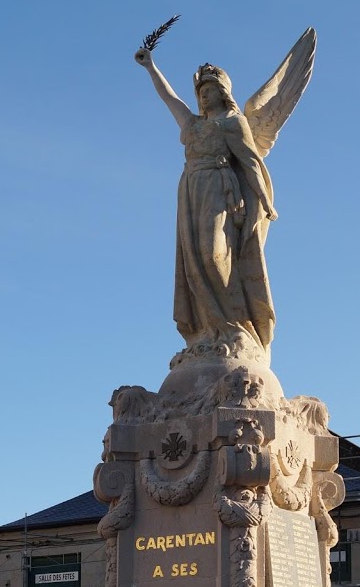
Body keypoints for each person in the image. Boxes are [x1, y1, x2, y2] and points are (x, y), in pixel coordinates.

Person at [134, 28, 315, 357]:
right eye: (200, 91)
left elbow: (250, 162)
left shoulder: (234, 122)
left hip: (221, 191)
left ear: (222, 91)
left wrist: (264, 201)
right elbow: (169, 98)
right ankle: (207, 332)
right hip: (191, 191)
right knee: (194, 264)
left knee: (217, 256)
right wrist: (150, 67)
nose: (203, 96)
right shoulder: (192, 124)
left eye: (210, 90)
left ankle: (236, 329)